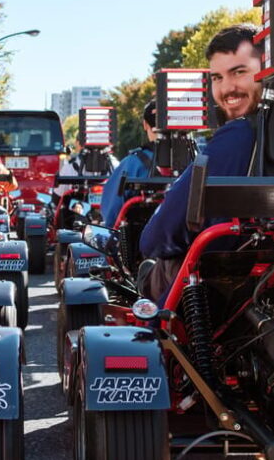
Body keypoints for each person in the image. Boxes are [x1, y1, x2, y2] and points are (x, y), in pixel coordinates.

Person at [137, 24, 262, 297]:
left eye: (239, 72)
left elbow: (157, 237)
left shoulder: (238, 136)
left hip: (226, 293)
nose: (227, 88)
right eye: (217, 77)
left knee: (153, 268)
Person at [99, 99, 158, 227]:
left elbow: (111, 212)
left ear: (145, 124)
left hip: (140, 241)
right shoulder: (196, 160)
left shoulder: (132, 163)